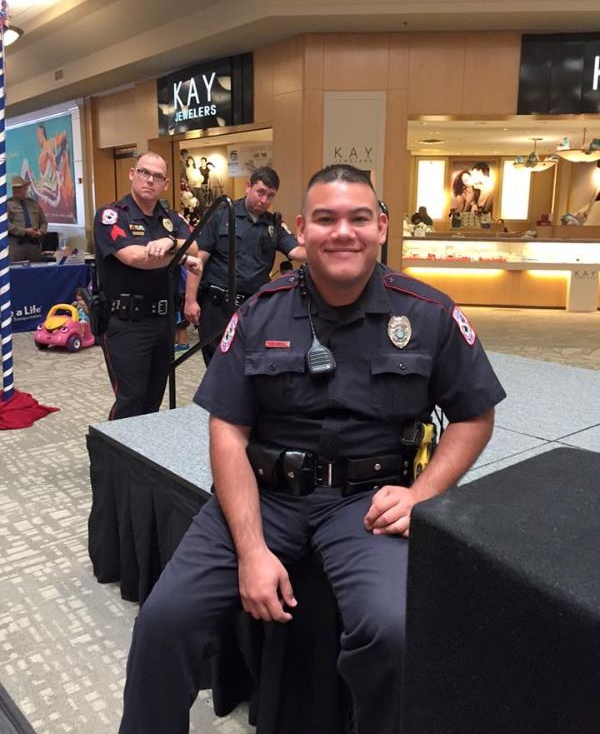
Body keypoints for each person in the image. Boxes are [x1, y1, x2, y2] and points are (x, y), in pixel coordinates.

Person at [119, 164, 506, 734]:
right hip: (265, 495)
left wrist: (422, 495)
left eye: (357, 218)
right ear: (302, 230)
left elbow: (476, 413)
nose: (342, 232)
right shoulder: (260, 312)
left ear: (381, 226)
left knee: (395, 631)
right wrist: (251, 550)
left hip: (366, 502)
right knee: (164, 620)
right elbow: (228, 430)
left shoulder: (428, 314)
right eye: (325, 219)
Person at [93, 152, 202, 419]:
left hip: (163, 321)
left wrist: (169, 243)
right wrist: (182, 259)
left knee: (153, 399)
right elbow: (133, 257)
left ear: (165, 184)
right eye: (144, 173)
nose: (149, 180)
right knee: (131, 398)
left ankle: (141, 459)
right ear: (132, 173)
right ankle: (114, 460)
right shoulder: (112, 215)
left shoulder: (171, 218)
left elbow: (195, 246)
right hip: (126, 322)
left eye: (157, 176)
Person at [184, 166, 306, 365]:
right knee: (217, 367)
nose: (264, 200)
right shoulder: (223, 215)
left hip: (254, 307)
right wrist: (190, 300)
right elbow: (198, 260)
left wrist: (325, 246)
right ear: (248, 187)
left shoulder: (273, 224)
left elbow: (296, 252)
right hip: (218, 305)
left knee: (248, 366)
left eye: (270, 196)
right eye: (260, 192)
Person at [7, 175, 48, 262]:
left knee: (36, 271)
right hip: (16, 244)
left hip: (33, 244)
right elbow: (4, 224)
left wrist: (41, 232)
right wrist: (25, 231)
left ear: (26, 188)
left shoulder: (34, 204)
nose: (16, 190)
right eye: (14, 188)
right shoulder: (7, 204)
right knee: (16, 271)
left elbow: (43, 222)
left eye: (19, 188)